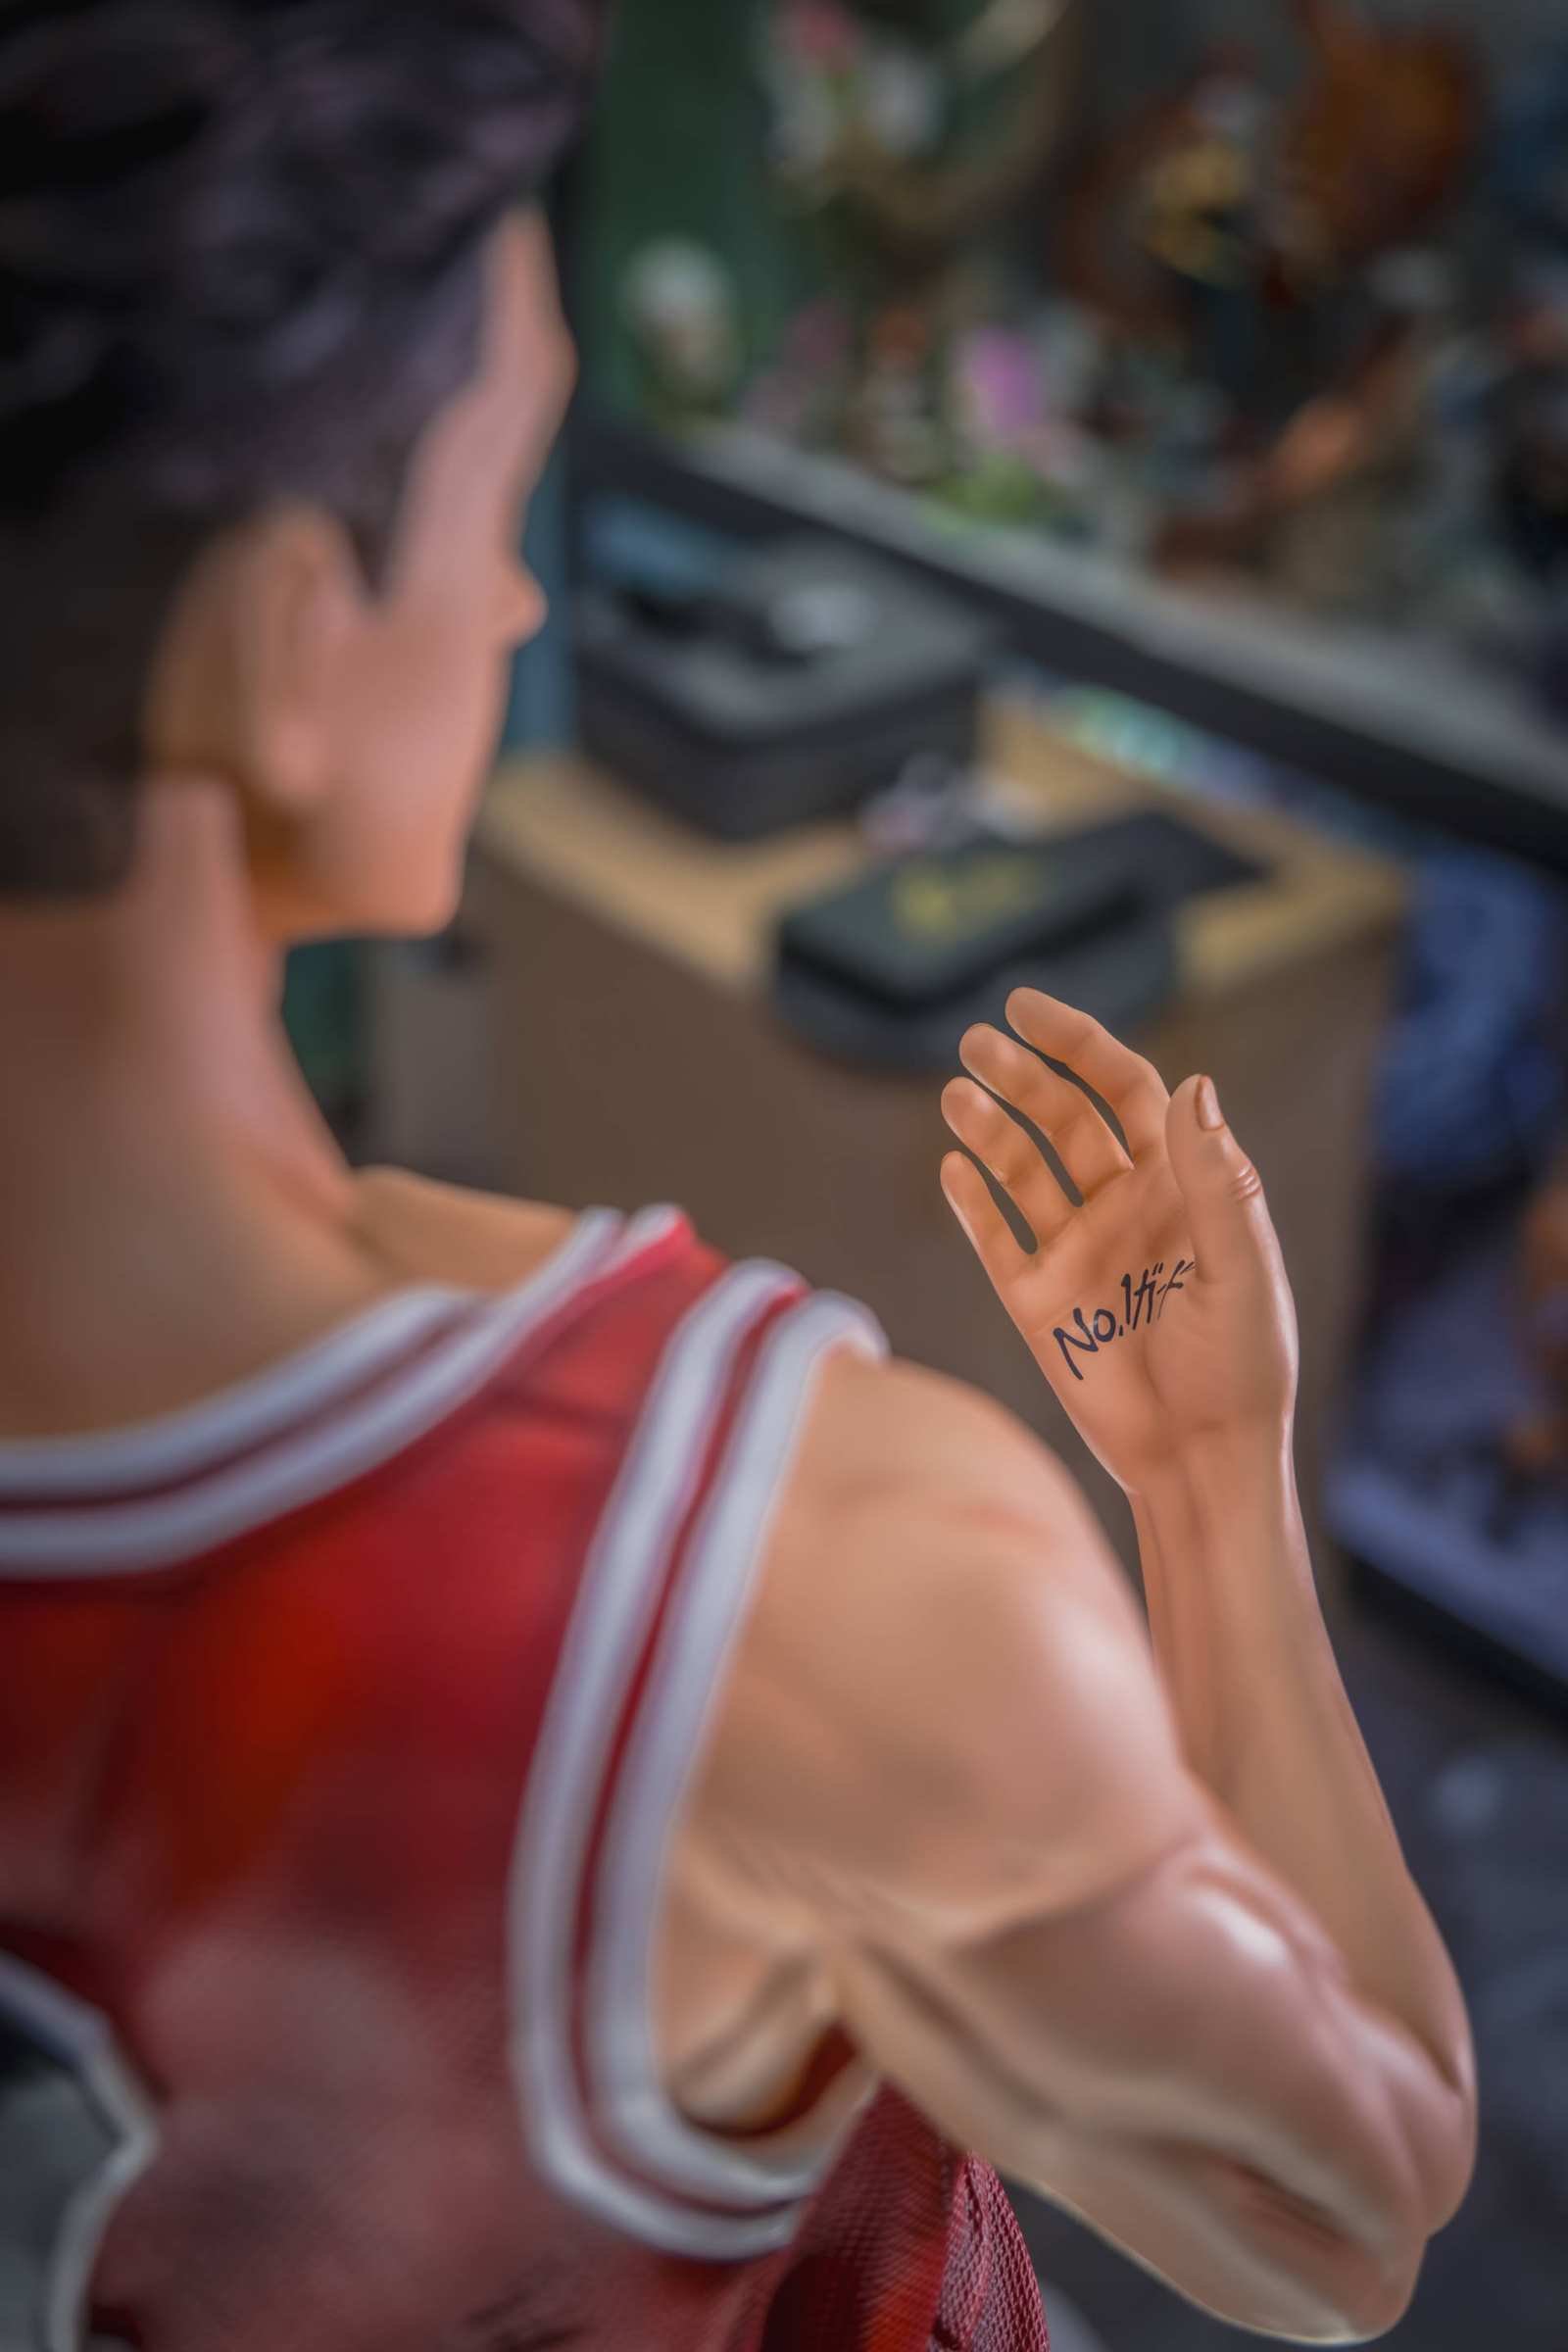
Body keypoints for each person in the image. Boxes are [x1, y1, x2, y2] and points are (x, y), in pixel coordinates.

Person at [0, 6, 1476, 2348]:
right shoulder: (784, 1559)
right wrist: (1206, 1471)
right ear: (283, 646)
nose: (512, 606)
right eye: (497, 502)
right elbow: (1348, 2210)